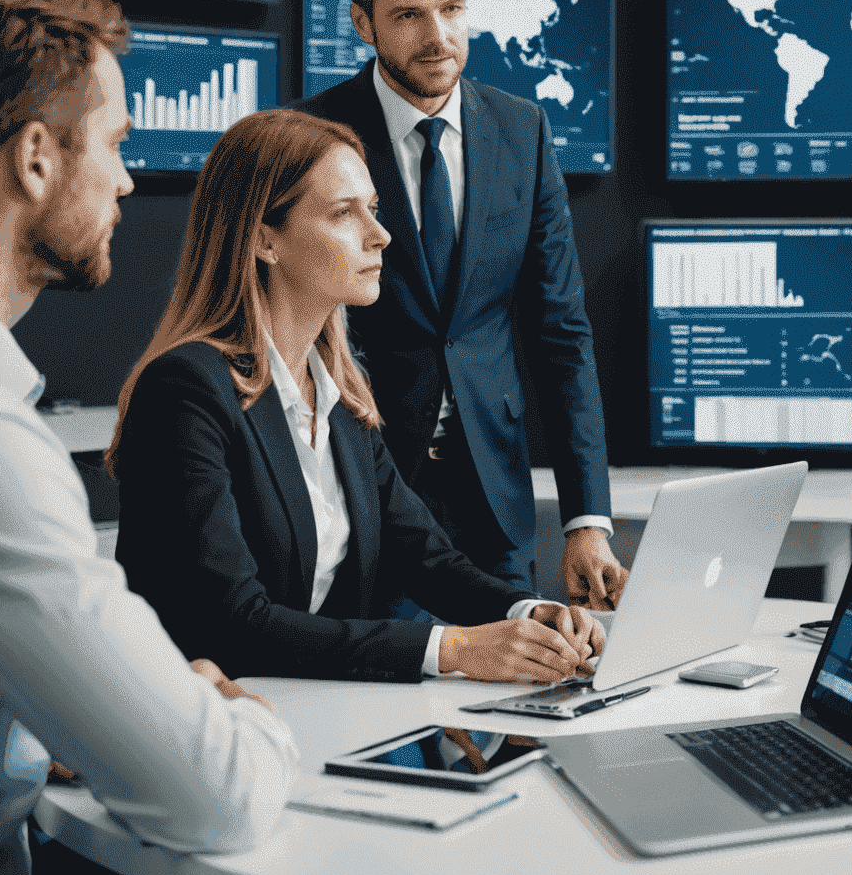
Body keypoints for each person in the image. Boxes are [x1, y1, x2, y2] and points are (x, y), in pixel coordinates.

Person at [0, 0, 299, 875]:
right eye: (114, 143)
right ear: (33, 160)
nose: (129, 179)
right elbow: (216, 796)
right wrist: (243, 722)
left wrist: (54, 714)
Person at [109, 108, 604, 685]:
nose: (380, 235)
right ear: (267, 238)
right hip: (211, 724)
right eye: (345, 214)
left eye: (373, 208)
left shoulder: (340, 394)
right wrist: (455, 649)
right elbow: (232, 622)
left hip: (316, 711)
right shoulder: (187, 391)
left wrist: (530, 613)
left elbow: (423, 556)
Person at [291, 0, 624, 603]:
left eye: (451, 9)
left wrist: (585, 519)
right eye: (409, 15)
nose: (439, 37)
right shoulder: (310, 136)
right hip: (366, 488)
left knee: (515, 695)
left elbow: (560, 331)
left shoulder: (521, 129)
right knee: (390, 701)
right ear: (364, 23)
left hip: (494, 499)